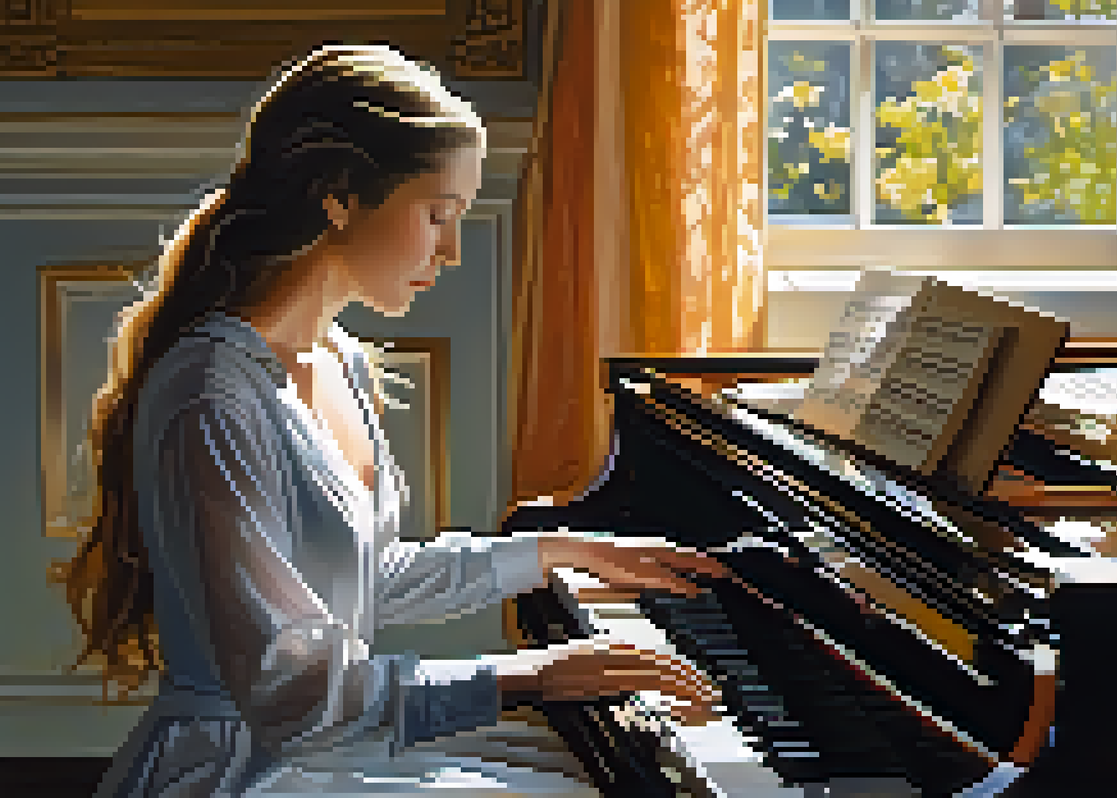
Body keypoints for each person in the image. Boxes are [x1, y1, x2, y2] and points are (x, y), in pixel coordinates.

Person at [49, 44, 725, 797]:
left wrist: (556, 552)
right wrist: (533, 673)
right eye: (438, 214)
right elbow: (291, 693)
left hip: (325, 741)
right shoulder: (212, 395)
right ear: (339, 196)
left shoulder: (336, 358)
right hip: (252, 766)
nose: (454, 249)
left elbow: (361, 579)